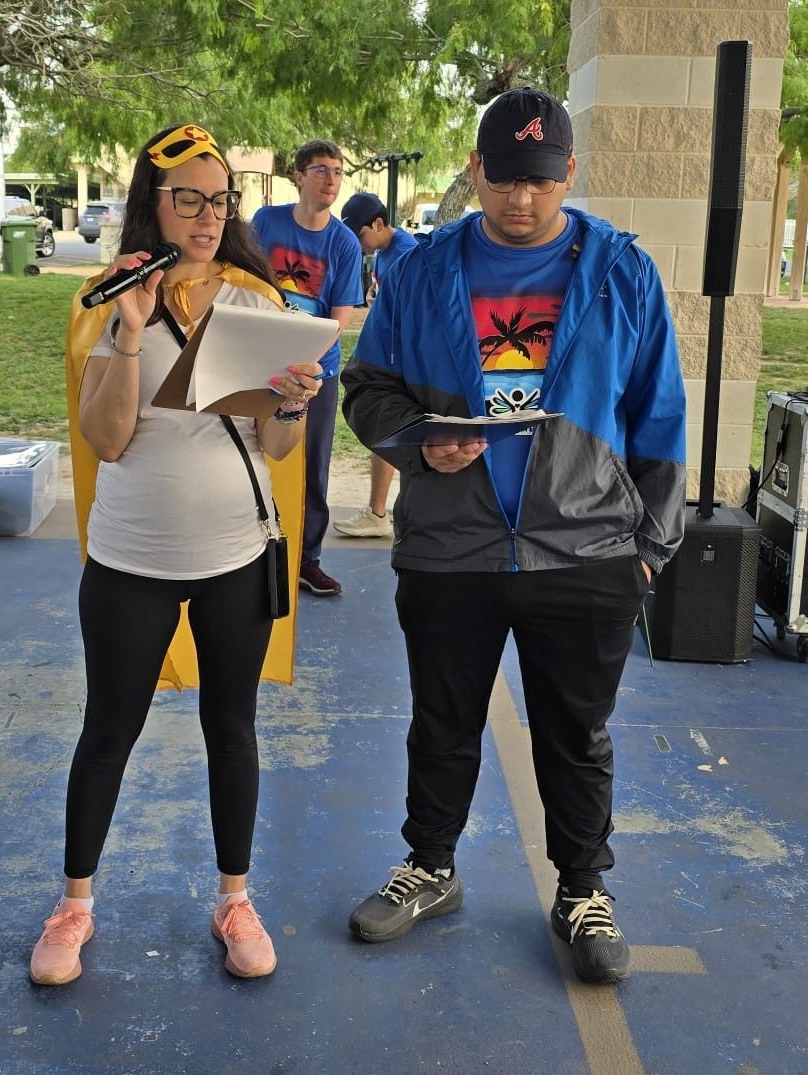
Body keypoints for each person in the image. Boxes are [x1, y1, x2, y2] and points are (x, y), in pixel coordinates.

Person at [341, 88, 686, 985]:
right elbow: (368, 388)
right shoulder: (420, 273)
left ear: (568, 173)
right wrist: (420, 444)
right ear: (476, 171)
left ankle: (582, 888)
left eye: (540, 181)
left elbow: (660, 415)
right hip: (450, 549)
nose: (520, 200)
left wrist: (649, 546)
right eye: (504, 179)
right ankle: (432, 865)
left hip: (588, 552)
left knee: (576, 732)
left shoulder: (621, 272)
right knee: (442, 720)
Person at [32, 123, 322, 987]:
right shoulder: (106, 295)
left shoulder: (253, 299)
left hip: (235, 551)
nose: (207, 215)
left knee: (231, 730)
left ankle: (235, 897)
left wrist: (294, 400)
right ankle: (75, 904)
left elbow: (272, 444)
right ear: (151, 204)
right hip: (128, 558)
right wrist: (129, 332)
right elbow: (109, 440)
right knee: (108, 730)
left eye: (220, 199)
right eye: (187, 198)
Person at [252, 140, 364, 596]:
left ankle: (306, 559)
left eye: (338, 172)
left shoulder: (344, 242)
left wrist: (306, 356)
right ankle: (253, 552)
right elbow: (246, 282)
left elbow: (340, 317)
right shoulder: (266, 223)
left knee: (313, 466)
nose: (331, 180)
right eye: (321, 170)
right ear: (298, 176)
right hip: (259, 361)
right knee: (251, 453)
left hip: (316, 372)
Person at [333, 193, 417, 540]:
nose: (357, 243)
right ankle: (378, 511)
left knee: (401, 435)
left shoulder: (407, 254)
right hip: (392, 356)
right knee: (386, 431)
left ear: (379, 224)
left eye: (360, 235)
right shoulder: (384, 252)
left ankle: (387, 513)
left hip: (405, 361)